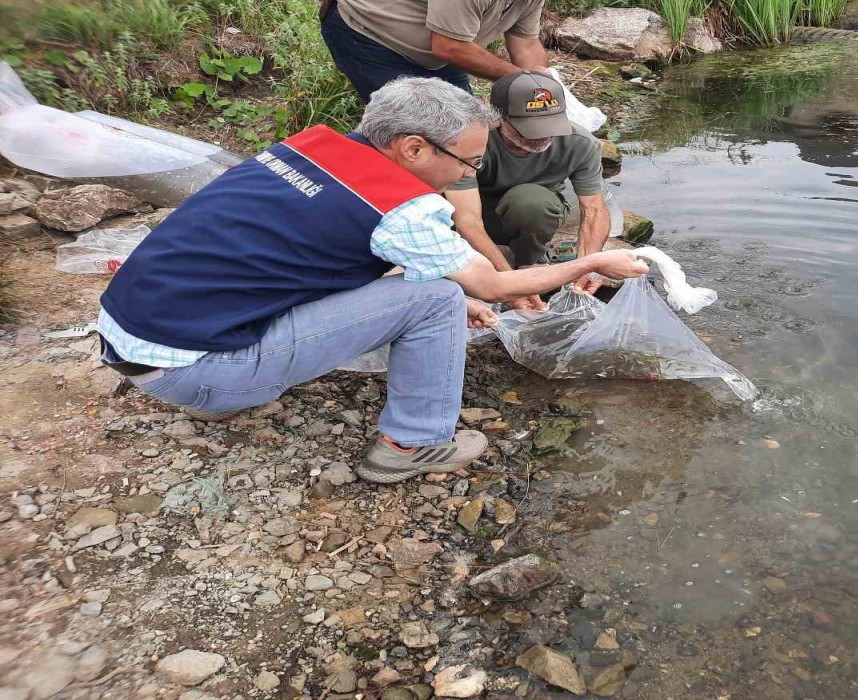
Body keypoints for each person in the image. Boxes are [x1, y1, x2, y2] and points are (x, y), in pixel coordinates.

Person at [95, 78, 648, 484]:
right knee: (437, 297)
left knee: (438, 289)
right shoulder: (401, 209)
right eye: (467, 162)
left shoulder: (308, 148)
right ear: (412, 147)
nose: (467, 174)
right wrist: (589, 264)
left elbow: (329, 247)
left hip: (130, 336)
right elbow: (496, 288)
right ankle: (411, 444)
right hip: (195, 374)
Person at [445, 71, 611, 308]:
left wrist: (590, 266)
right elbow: (467, 219)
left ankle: (529, 260)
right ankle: (498, 263)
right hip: (473, 213)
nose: (542, 135)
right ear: (497, 117)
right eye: (529, 127)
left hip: (533, 213)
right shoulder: (471, 141)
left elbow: (594, 209)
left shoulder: (580, 143)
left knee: (531, 202)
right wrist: (508, 284)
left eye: (549, 124)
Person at [320, 0, 549, 101]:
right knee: (410, 129)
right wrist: (520, 79)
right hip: (370, 35)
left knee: (463, 122)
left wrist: (544, 87)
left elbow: (526, 45)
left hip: (441, 49)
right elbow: (449, 46)